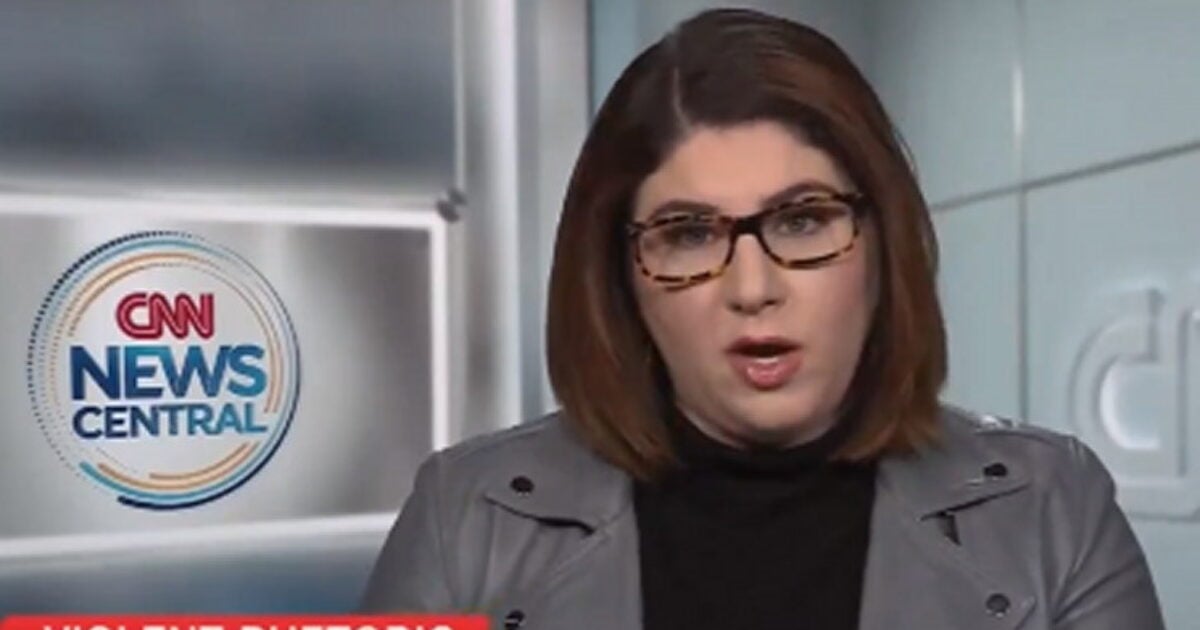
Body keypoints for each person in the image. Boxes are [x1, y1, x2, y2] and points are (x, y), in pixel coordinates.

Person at [361, 8, 1164, 629]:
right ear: (619, 274)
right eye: (688, 233)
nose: (752, 287)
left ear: (881, 245)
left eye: (803, 220)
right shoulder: (467, 516)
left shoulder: (1052, 508)